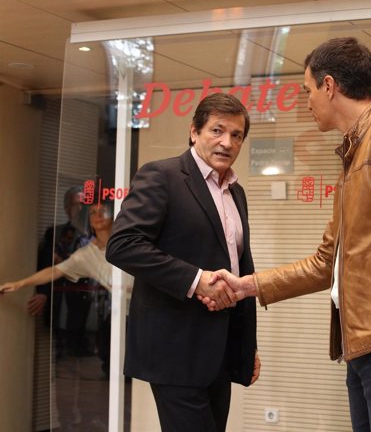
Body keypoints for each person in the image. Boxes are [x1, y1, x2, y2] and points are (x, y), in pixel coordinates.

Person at [205, 37, 371, 432]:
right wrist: (247, 286)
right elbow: (325, 263)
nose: (307, 101)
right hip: (368, 341)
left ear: (329, 86)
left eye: (308, 90)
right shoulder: (355, 151)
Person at [105, 92, 260, 432]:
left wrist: (247, 347)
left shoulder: (236, 192)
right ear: (194, 131)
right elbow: (122, 244)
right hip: (175, 348)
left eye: (236, 135)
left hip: (221, 350)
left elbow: (240, 269)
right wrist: (195, 280)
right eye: (216, 130)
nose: (226, 142)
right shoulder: (162, 176)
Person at [1, 202, 127, 373]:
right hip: (126, 311)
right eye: (92, 213)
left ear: (113, 217)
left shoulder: (129, 241)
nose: (97, 216)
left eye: (103, 212)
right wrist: (19, 284)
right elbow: (54, 271)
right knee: (109, 348)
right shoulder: (84, 256)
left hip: (151, 302)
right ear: (89, 221)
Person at [33, 186, 94, 356]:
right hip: (59, 294)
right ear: (67, 209)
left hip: (87, 294)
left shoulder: (98, 235)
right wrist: (43, 293)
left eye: (84, 205)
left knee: (79, 341)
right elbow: (47, 263)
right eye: (76, 205)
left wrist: (64, 262)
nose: (81, 209)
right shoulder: (55, 233)